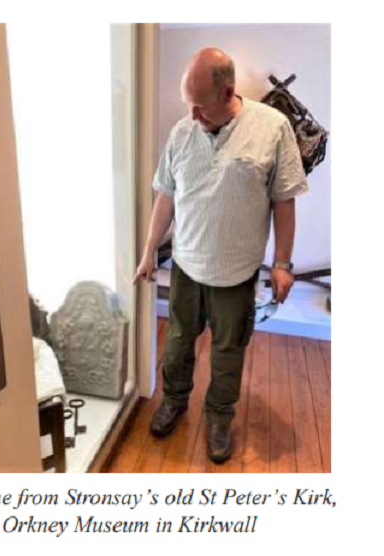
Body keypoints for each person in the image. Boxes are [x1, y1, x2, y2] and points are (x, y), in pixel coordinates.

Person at [134, 47, 308, 463]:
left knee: (228, 350)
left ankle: (218, 417)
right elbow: (165, 197)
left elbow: (284, 200)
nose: (193, 117)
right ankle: (174, 400)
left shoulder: (272, 128)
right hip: (186, 266)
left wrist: (282, 264)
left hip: (236, 271)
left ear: (227, 91)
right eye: (188, 106)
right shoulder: (182, 132)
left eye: (200, 107)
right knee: (177, 342)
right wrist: (147, 254)